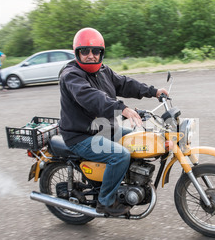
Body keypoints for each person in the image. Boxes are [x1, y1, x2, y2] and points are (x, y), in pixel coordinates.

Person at [59, 27, 168, 216]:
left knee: (141, 138)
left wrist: (154, 91)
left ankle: (127, 183)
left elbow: (125, 84)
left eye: (96, 51)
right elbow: (92, 97)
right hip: (80, 135)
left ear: (101, 52)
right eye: (85, 51)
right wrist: (122, 109)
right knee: (120, 156)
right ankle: (106, 202)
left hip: (104, 129)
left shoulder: (103, 70)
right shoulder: (71, 75)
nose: (91, 55)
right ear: (77, 52)